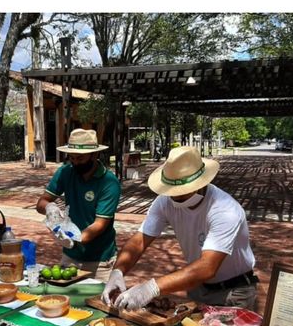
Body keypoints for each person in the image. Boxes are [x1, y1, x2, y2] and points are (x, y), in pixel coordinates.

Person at [102, 146, 258, 311]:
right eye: (172, 191)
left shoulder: (225, 210)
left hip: (232, 293)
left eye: (182, 192)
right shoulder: (165, 202)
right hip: (197, 287)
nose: (175, 197)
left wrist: (151, 288)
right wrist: (118, 271)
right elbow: (140, 240)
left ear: (200, 183)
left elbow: (207, 267)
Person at [36, 129, 121, 282]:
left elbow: (99, 224)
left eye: (80, 158)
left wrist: (73, 239)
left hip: (100, 261)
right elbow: (41, 202)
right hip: (70, 256)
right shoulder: (65, 172)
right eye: (72, 158)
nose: (75, 162)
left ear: (94, 155)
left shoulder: (109, 182)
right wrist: (50, 208)